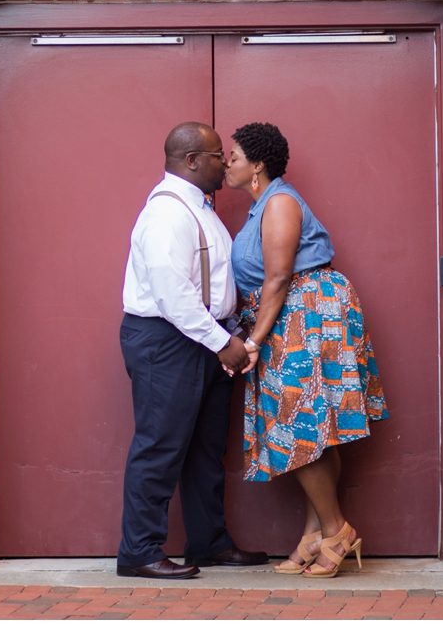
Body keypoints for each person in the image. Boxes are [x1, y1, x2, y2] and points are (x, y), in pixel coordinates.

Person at [225, 122, 388, 579]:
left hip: (305, 315)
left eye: (234, 156)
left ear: (257, 166)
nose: (228, 164)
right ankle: (315, 534)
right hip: (293, 315)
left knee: (299, 422)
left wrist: (253, 341)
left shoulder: (278, 202)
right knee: (315, 424)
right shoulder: (263, 205)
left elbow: (278, 277)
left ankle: (337, 530)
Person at [117, 121, 268, 580]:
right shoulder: (167, 213)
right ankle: (138, 551)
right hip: (167, 340)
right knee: (160, 446)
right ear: (191, 161)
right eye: (217, 154)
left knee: (205, 450)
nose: (225, 162)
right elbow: (173, 295)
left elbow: (211, 284)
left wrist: (233, 330)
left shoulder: (198, 208)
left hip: (203, 337)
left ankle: (209, 542)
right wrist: (226, 344)